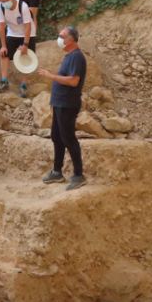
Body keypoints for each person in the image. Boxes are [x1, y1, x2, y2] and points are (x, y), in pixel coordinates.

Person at [37, 26, 86, 190]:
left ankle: (78, 175)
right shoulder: (69, 56)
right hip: (60, 103)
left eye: (62, 36)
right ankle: (57, 171)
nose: (59, 39)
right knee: (57, 137)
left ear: (71, 39)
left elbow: (73, 81)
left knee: (69, 138)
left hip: (68, 104)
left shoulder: (77, 57)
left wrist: (50, 76)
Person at [0, 0, 33, 96]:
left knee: (25, 56)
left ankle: (24, 85)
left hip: (27, 33)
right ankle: (4, 81)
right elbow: (1, 27)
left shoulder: (23, 6)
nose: (5, 3)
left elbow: (28, 26)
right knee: (4, 54)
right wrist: (3, 46)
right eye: (2, 1)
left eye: (6, 0)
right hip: (12, 33)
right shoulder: (0, 7)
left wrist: (25, 44)